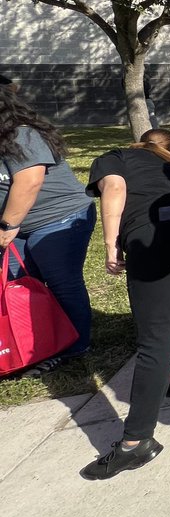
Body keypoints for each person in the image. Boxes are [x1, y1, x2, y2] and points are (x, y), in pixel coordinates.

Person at [80, 129, 170, 479]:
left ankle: (136, 443)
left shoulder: (115, 156)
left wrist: (111, 245)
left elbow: (115, 188)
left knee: (155, 339)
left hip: (160, 234)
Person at [0, 85, 96, 376]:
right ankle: (36, 342)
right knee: (19, 284)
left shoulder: (21, 134)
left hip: (59, 218)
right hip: (19, 226)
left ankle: (75, 345)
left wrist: (7, 226)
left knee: (61, 281)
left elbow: (29, 181)